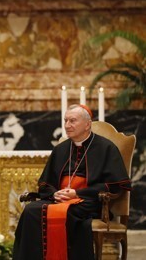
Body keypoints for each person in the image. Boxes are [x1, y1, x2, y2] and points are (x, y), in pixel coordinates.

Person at [13, 104, 131, 260]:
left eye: (72, 121)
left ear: (87, 124)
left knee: (67, 213)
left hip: (89, 201)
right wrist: (55, 194)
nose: (67, 125)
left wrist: (77, 193)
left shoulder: (106, 148)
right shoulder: (61, 149)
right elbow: (45, 183)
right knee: (31, 211)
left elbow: (116, 185)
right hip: (59, 199)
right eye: (65, 120)